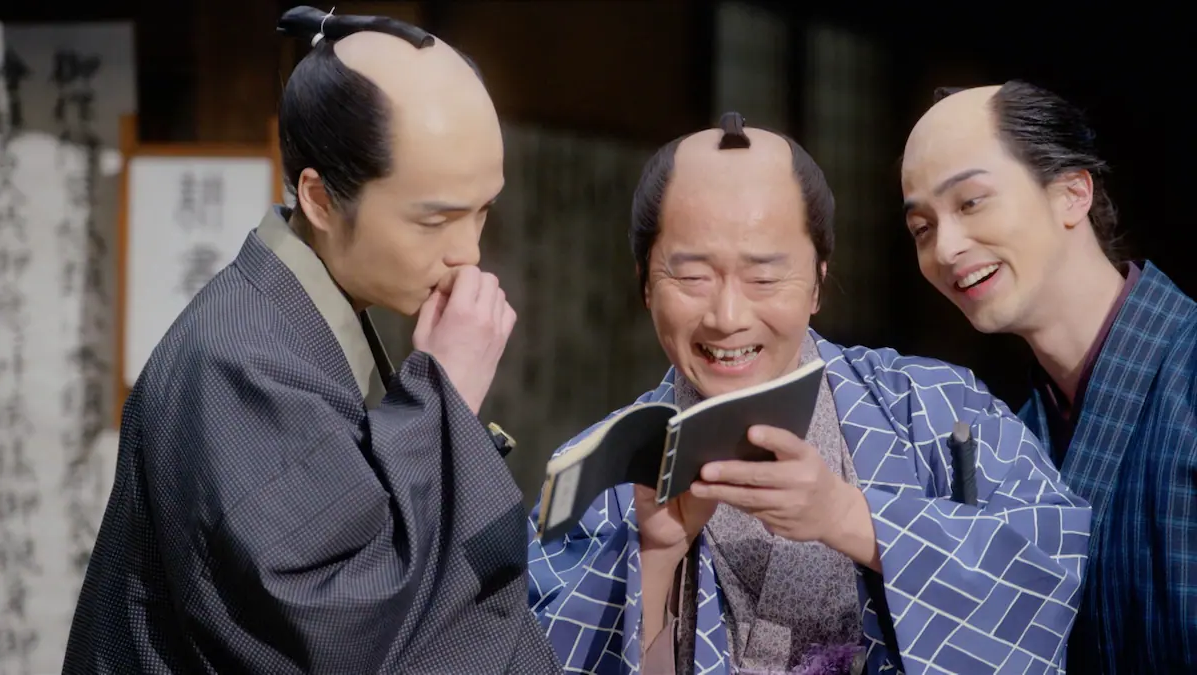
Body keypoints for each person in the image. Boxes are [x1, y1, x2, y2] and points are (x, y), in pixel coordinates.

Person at [63, 7, 560, 674]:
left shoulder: (297, 319)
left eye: (483, 211)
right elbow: (342, 633)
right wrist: (443, 400)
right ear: (320, 198)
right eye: (435, 221)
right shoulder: (237, 361)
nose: (467, 252)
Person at [527, 112, 1092, 675]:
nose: (728, 316)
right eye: (693, 277)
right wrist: (655, 557)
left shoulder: (936, 406)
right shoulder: (603, 476)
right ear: (646, 284)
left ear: (819, 281)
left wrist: (849, 517)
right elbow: (530, 655)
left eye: (764, 277)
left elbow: (1049, 572)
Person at [900, 80, 1197, 673]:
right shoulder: (1011, 437)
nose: (946, 248)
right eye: (922, 228)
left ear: (1071, 194)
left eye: (971, 202)